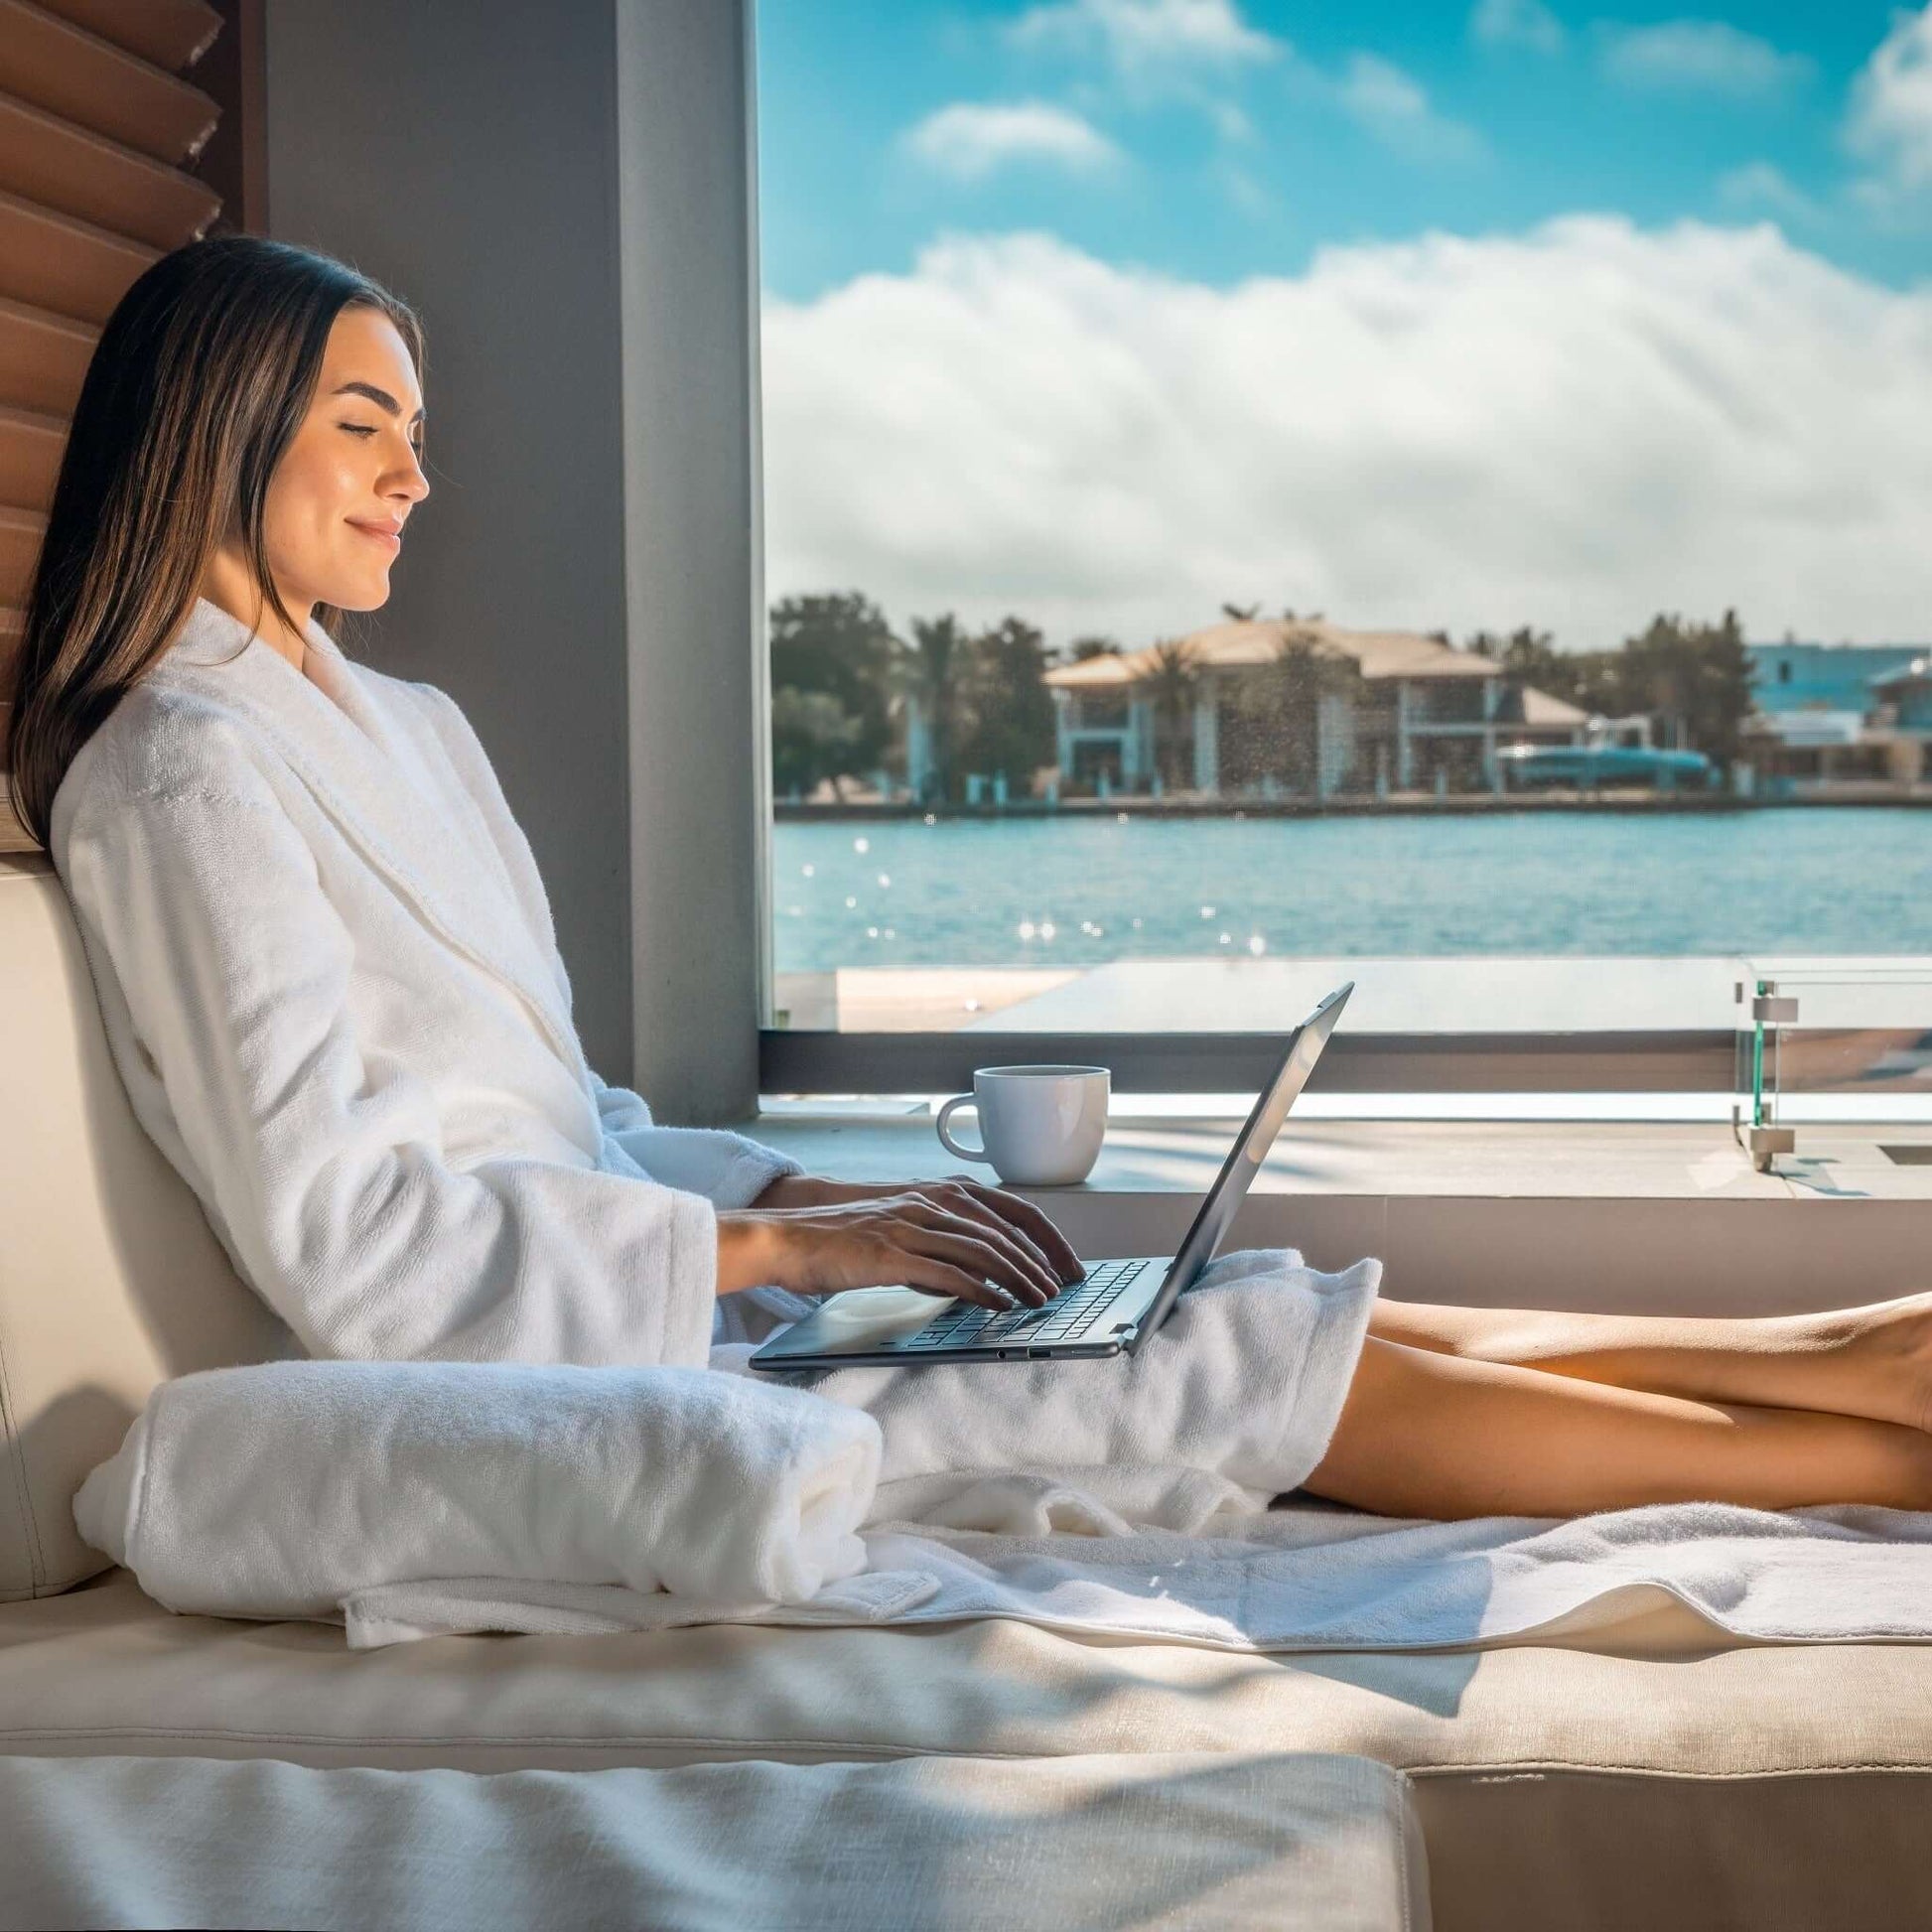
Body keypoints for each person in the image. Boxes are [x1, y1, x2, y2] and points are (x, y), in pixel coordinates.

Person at [12, 235, 1932, 1525]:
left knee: (1209, 1292)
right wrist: (779, 1259)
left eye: (418, 436)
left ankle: (1841, 1351)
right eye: (365, 429)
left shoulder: (406, 727)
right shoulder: (175, 766)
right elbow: (352, 1240)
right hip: (562, 1384)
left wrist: (823, 1196)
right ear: (215, 424)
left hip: (673, 1297)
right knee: (1221, 1354)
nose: (415, 477)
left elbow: (567, 1124)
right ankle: (1873, 1449)